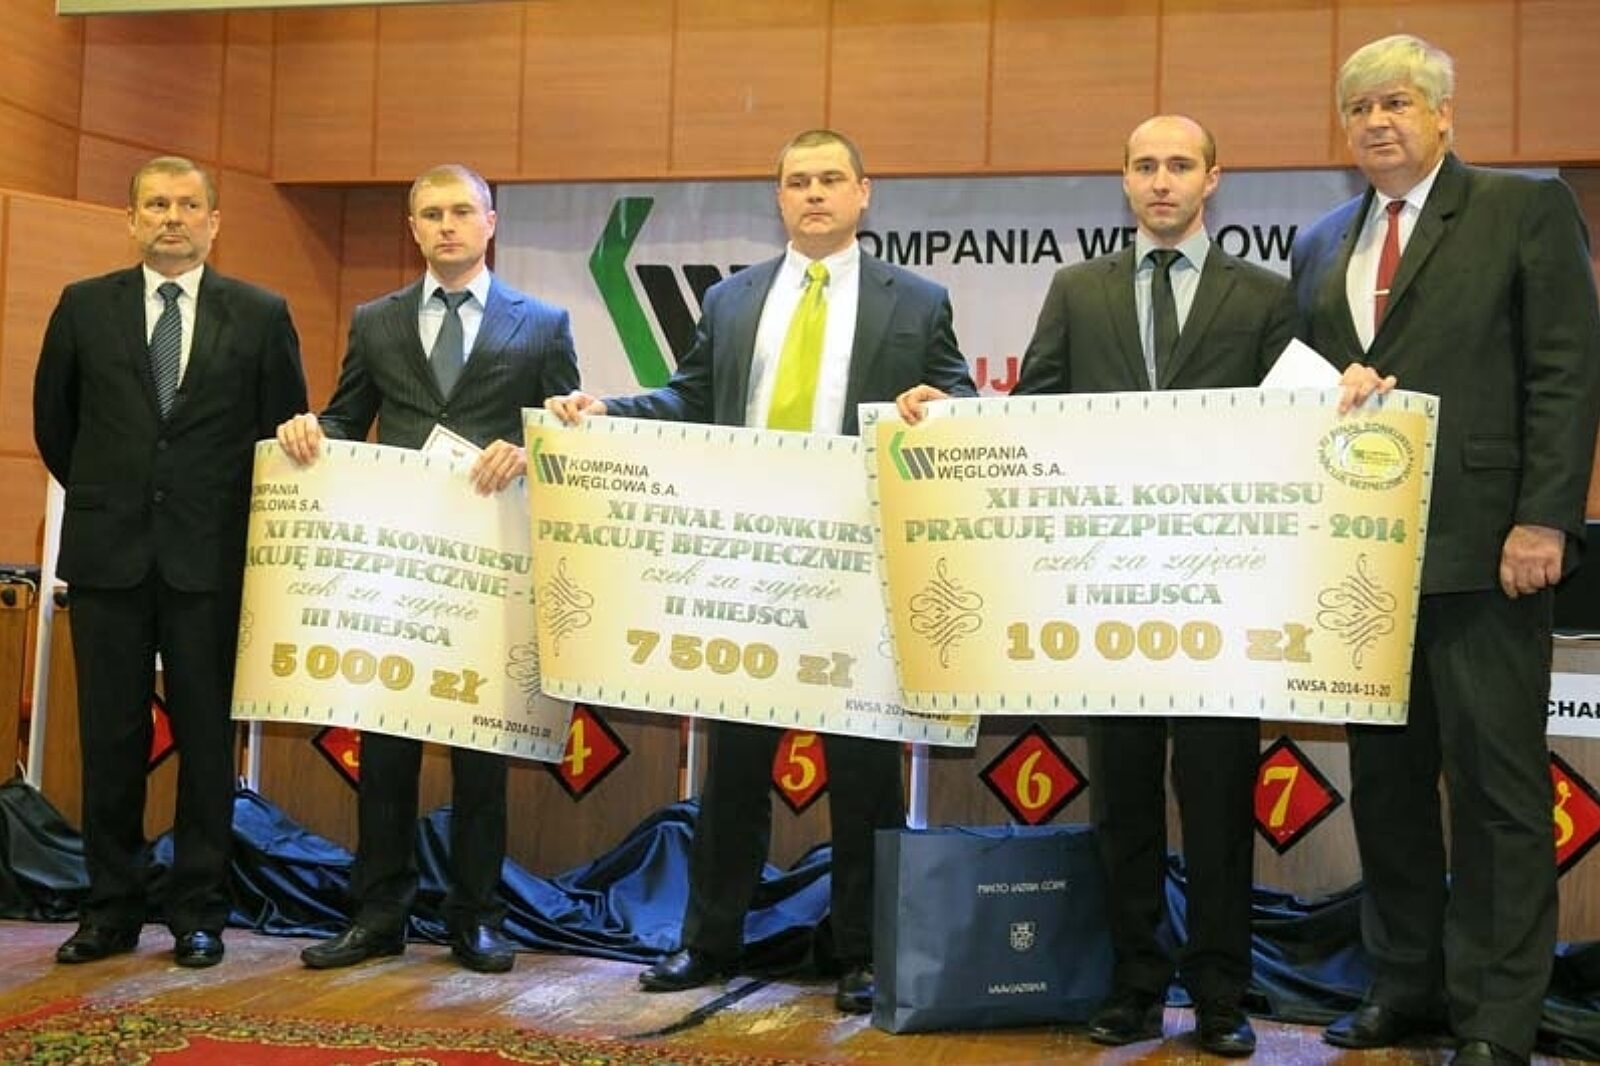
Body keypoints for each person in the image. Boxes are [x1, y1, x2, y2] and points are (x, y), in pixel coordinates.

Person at [547, 129, 976, 1013]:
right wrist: (608, 410)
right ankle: (708, 943)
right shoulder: (733, 297)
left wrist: (940, 406)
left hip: (857, 570)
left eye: (830, 179)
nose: (814, 194)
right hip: (747, 569)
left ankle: (863, 953)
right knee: (735, 767)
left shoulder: (918, 299)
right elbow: (691, 398)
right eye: (797, 182)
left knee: (864, 774)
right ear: (778, 198)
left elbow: (958, 400)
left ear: (863, 193)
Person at [903, 115, 1291, 1057]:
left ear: (1213, 179)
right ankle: (1134, 984)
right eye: (1145, 166)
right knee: (1121, 802)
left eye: (1180, 165)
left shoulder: (1267, 296)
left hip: (1219, 595)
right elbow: (1034, 415)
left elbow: (1294, 433)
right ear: (1124, 179)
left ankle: (1222, 995)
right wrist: (954, 419)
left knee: (1218, 803)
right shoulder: (1078, 289)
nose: (1162, 181)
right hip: (1102, 594)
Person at [1289, 35, 1600, 1066]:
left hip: (1487, 551)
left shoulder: (1523, 208)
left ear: (1442, 114)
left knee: (1497, 793)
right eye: (1359, 108)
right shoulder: (1318, 241)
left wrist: (1543, 517)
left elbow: (1565, 369)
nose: (1377, 121)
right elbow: (1306, 382)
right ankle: (1404, 985)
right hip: (1362, 564)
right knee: (1386, 787)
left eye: (1397, 102)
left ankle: (1497, 1015)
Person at [279, 163, 579, 974]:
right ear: (412, 229)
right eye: (431, 214)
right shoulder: (375, 321)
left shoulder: (544, 323)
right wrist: (312, 432)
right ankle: (379, 914)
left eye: (461, 212)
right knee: (384, 750)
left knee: (481, 754)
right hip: (397, 568)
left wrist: (530, 450)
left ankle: (476, 917)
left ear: (490, 222)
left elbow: (566, 434)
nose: (447, 226)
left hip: (489, 571)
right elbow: (348, 417)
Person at [33, 156, 308, 968]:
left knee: (206, 742)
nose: (172, 218)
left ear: (215, 222)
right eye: (156, 204)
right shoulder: (83, 306)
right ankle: (109, 910)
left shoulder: (261, 313)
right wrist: (113, 493)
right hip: (109, 557)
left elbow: (279, 431)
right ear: (131, 219)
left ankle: (199, 912)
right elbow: (56, 425)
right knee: (110, 740)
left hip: (210, 562)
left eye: (189, 205)